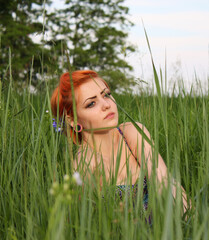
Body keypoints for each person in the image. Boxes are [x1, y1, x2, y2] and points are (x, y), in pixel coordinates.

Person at [50, 70, 189, 214]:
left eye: (106, 94)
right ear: (72, 121)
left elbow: (166, 183)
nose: (106, 105)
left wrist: (193, 222)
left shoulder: (132, 132)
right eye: (91, 103)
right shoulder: (85, 164)